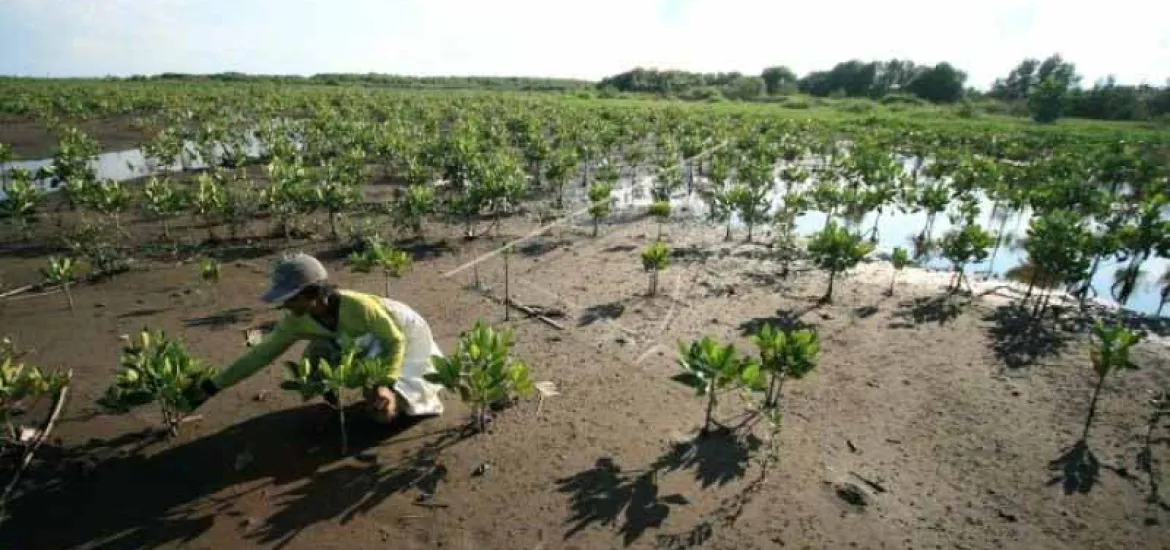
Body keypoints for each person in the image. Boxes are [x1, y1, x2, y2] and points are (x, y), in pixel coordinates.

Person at [186, 253, 445, 423]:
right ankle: (340, 393)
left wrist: (384, 383)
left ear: (314, 293)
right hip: (359, 340)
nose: (284, 305)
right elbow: (260, 355)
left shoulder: (358, 306)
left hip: (403, 332)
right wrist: (212, 387)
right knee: (317, 352)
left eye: (290, 298)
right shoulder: (295, 320)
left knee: (383, 411)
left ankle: (391, 393)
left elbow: (394, 341)